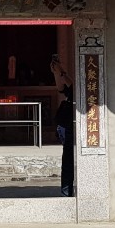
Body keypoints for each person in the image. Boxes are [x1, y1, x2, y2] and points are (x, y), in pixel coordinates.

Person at [51, 54, 74, 197]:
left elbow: (72, 85)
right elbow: (61, 88)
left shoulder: (77, 84)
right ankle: (66, 190)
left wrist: (61, 71)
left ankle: (69, 189)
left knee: (70, 159)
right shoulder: (65, 80)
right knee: (67, 159)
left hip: (74, 123)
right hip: (66, 124)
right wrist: (56, 72)